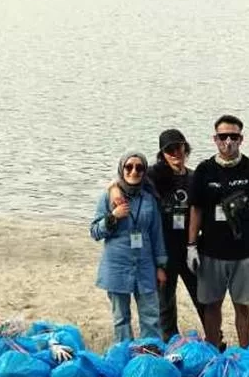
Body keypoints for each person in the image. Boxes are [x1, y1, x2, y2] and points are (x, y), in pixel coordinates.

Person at [107, 129, 212, 342]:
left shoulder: (195, 177)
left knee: (204, 298)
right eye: (169, 150)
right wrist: (114, 191)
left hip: (192, 247)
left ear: (185, 148)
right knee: (165, 302)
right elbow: (123, 180)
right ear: (162, 154)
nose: (175, 153)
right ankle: (169, 342)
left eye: (178, 147)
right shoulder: (153, 176)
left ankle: (214, 339)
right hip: (164, 250)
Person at [186, 115, 249, 349]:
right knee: (212, 305)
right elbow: (196, 210)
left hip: (245, 251)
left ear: (241, 139)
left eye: (233, 137)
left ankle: (244, 352)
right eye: (223, 137)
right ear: (215, 139)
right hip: (211, 250)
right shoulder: (204, 170)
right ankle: (214, 350)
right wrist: (191, 246)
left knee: (242, 306)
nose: (228, 142)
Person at [91, 152, 167, 342]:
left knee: (151, 316)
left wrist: (160, 266)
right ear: (121, 169)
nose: (134, 171)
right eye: (129, 167)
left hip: (144, 266)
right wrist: (113, 217)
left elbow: (156, 234)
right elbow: (94, 232)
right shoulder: (108, 198)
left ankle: (151, 353)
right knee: (121, 318)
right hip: (117, 265)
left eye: (140, 168)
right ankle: (125, 354)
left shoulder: (149, 199)